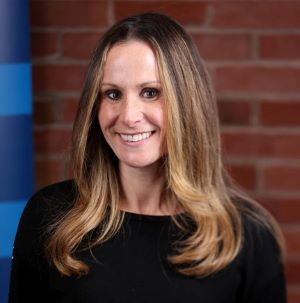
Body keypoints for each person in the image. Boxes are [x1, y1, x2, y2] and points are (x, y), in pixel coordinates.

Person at [9, 12, 286, 303]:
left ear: (186, 102)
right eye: (113, 94)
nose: (129, 117)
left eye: (151, 92)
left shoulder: (246, 235)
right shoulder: (50, 216)